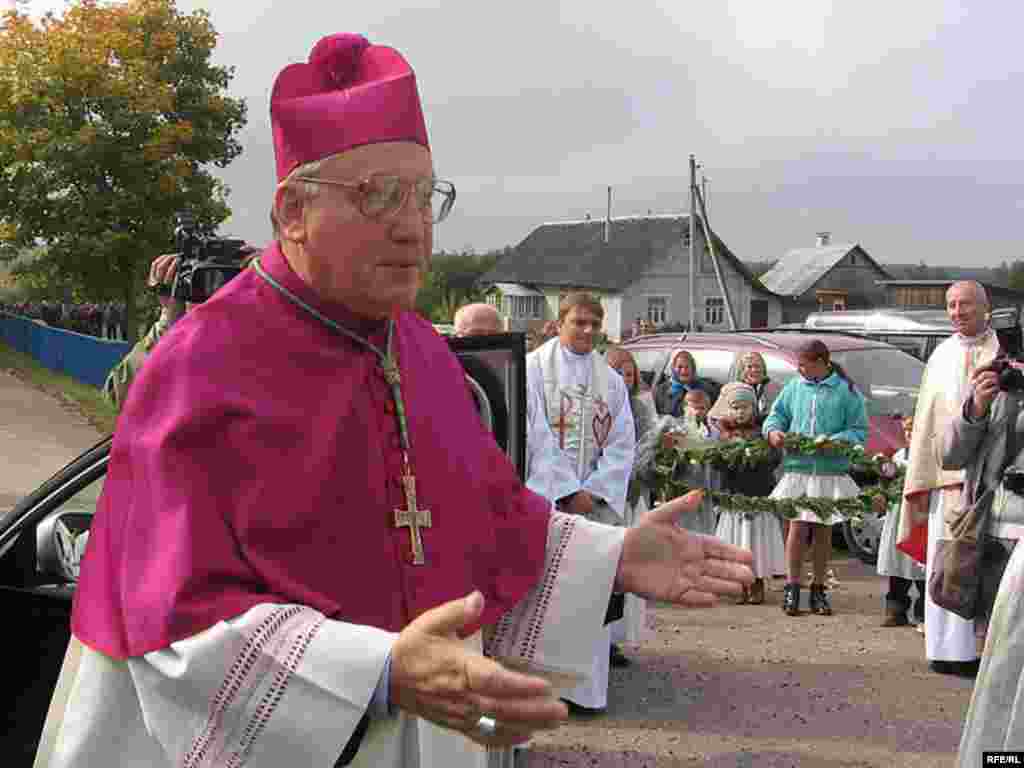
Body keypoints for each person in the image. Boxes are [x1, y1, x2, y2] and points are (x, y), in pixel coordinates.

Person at [36, 34, 756, 768]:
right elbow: (171, 624)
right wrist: (374, 673)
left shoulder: (421, 353)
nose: (413, 226)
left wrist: (611, 558)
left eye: (425, 195)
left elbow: (491, 524)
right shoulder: (200, 365)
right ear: (292, 211)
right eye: (378, 195)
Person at [524, 292, 636, 714]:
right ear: (559, 322)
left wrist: (596, 490)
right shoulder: (534, 369)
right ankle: (542, 691)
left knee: (589, 592)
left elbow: (623, 442)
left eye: (594, 324)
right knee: (545, 593)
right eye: (579, 323)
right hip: (548, 498)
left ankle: (584, 689)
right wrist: (567, 489)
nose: (588, 331)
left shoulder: (609, 379)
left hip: (593, 505)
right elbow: (534, 432)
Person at [901, 280, 998, 677]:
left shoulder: (1003, 352)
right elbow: (928, 420)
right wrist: (921, 477)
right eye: (951, 305)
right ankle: (945, 651)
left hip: (992, 481)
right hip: (948, 479)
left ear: (985, 308)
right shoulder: (940, 354)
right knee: (949, 563)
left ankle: (984, 650)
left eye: (965, 305)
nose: (957, 312)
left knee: (987, 566)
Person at [943, 355, 1024, 763]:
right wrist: (976, 408)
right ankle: (998, 753)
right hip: (993, 533)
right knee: (997, 661)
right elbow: (949, 455)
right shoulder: (995, 382)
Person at [763, 339, 868, 617]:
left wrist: (836, 441)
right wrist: (774, 433)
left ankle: (819, 589)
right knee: (797, 528)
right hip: (798, 469)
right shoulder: (794, 387)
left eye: (804, 365)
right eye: (798, 365)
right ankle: (792, 587)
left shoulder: (847, 391)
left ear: (822, 362)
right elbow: (776, 416)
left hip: (828, 472)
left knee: (823, 531)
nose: (799, 370)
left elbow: (859, 431)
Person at [103, 250, 258, 411]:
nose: (215, 290)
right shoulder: (183, 341)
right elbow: (116, 395)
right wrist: (168, 322)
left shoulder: (265, 341)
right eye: (201, 280)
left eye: (230, 278)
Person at [605, 346, 658, 667]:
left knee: (624, 570)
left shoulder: (639, 407)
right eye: (617, 372)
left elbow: (646, 450)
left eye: (628, 373)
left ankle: (613, 639)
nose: (623, 379)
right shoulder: (600, 404)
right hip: (605, 496)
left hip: (630, 496)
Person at [711, 382, 785, 605]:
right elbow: (717, 463)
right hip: (734, 497)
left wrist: (757, 453)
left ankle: (757, 582)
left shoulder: (762, 433)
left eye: (745, 407)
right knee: (736, 542)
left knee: (756, 541)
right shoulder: (724, 436)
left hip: (758, 496)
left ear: (753, 408)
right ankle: (738, 584)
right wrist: (727, 453)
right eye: (735, 407)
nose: (740, 412)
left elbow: (774, 459)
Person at [875, 416, 926, 627]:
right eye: (906, 431)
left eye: (914, 430)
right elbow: (886, 482)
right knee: (898, 566)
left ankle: (924, 612)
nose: (910, 435)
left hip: (919, 516)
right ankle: (895, 609)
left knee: (922, 565)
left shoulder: (928, 458)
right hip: (899, 515)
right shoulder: (897, 457)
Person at [654, 348, 720, 417]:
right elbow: (655, 417)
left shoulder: (707, 389)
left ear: (693, 368)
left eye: (687, 367)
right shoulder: (661, 390)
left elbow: (713, 417)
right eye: (680, 367)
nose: (683, 371)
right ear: (673, 368)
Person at [735, 351, 774, 425]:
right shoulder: (736, 389)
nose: (754, 370)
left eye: (757, 366)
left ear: (763, 369)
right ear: (743, 370)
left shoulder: (772, 388)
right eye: (749, 367)